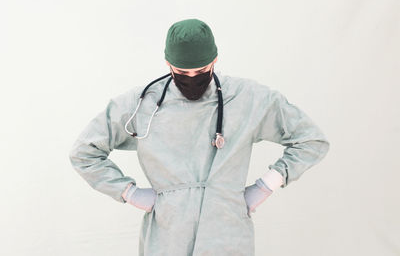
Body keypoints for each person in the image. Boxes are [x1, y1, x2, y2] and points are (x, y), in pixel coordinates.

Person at [69, 18, 330, 256]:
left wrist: (267, 185)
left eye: (201, 70)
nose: (192, 79)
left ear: (215, 60)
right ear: (168, 63)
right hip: (168, 235)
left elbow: (310, 140)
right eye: (182, 73)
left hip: (227, 231)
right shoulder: (141, 105)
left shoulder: (248, 99)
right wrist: (129, 192)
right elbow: (84, 152)